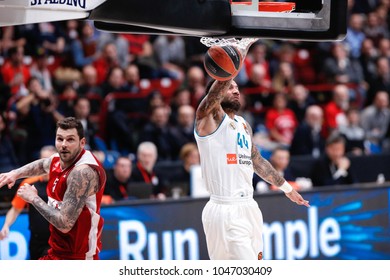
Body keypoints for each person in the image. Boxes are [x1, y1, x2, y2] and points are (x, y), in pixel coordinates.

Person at [194, 77, 309, 260]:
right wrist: (231, 63)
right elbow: (213, 96)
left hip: (249, 206)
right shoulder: (208, 119)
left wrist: (287, 188)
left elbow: (257, 161)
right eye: (230, 87)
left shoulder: (243, 125)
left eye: (237, 87)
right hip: (225, 208)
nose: (236, 91)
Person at [0, 117, 106, 260]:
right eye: (60, 139)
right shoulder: (60, 159)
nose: (63, 145)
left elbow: (64, 224)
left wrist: (34, 199)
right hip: (56, 250)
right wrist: (15, 173)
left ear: (82, 143)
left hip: (77, 257)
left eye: (70, 140)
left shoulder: (82, 173)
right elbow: (43, 164)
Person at [0, 145, 56, 259]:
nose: (46, 164)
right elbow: (15, 209)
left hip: (56, 241)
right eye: (43, 160)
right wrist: (6, 225)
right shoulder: (29, 183)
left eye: (49, 160)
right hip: (36, 241)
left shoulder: (61, 184)